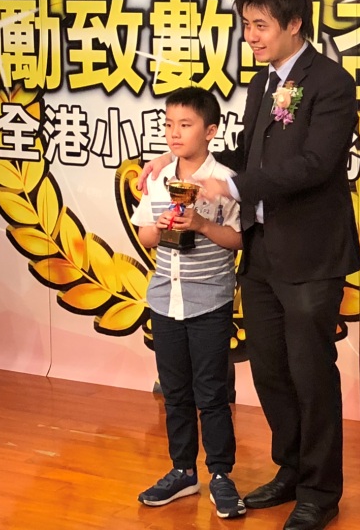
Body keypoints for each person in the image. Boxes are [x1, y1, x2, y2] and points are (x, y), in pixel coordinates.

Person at [139, 0, 360, 530]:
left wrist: (233, 187)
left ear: (294, 23)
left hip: (310, 256)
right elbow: (246, 155)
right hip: (261, 255)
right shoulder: (264, 83)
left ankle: (320, 491)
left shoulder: (331, 83)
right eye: (247, 25)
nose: (252, 36)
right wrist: (179, 157)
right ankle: (290, 469)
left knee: (311, 373)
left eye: (261, 25)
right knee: (270, 371)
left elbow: (315, 165)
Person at [130, 86, 246, 519]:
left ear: (210, 131)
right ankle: (183, 471)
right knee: (175, 392)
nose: (174, 133)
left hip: (209, 301)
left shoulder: (224, 180)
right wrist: (161, 226)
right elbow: (145, 235)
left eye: (185, 124)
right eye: (168, 125)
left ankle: (221, 475)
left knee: (212, 393)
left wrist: (200, 224)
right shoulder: (158, 176)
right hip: (165, 299)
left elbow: (238, 239)